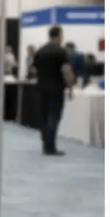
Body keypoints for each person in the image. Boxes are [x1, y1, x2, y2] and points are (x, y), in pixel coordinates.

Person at [32, 25, 75, 156]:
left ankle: (45, 143)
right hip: (56, 89)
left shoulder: (40, 51)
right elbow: (66, 70)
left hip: (41, 88)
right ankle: (50, 147)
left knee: (44, 117)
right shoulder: (61, 52)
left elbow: (33, 70)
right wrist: (70, 87)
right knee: (54, 117)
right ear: (59, 36)